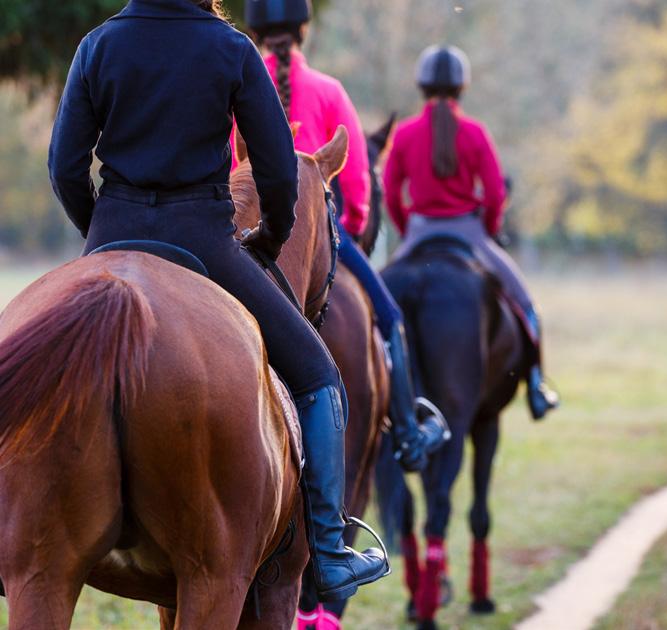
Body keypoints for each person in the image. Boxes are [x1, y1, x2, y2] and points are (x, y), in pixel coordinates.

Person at [47, 0, 388, 602]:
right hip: (203, 239)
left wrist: (99, 234)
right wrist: (270, 239)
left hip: (111, 233)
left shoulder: (97, 45)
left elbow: (64, 167)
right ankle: (330, 553)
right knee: (319, 377)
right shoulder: (230, 49)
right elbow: (278, 173)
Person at [243, 0, 449, 473]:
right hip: (321, 228)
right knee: (389, 319)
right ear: (304, 29)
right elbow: (356, 180)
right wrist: (350, 227)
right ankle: (409, 433)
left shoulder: (239, 82)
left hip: (247, 232)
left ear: (256, 32)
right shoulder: (329, 90)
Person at [384, 45, 559, 420]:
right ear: (462, 87)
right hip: (471, 232)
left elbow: (391, 192)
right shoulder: (475, 133)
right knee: (526, 305)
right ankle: (537, 385)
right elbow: (495, 195)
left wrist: (407, 229)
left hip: (418, 232)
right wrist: (488, 231)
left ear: (421, 86)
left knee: (376, 302)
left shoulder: (405, 134)